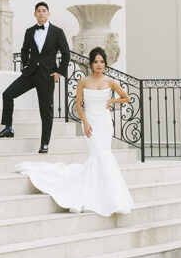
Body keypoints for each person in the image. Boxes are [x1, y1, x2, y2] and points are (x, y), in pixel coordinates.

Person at [14, 47, 135, 216]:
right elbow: (78, 104)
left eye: (101, 61)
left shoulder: (110, 81)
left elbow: (127, 97)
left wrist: (111, 101)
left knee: (104, 154)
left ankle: (109, 195)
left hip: (105, 122)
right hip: (91, 121)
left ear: (105, 64)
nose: (99, 64)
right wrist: (84, 123)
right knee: (98, 154)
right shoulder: (84, 81)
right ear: (91, 64)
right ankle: (97, 194)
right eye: (95, 61)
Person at [0, 1, 70, 154]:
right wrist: (26, 65)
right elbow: (24, 50)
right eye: (38, 11)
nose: (41, 13)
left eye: (44, 10)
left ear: (48, 14)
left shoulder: (57, 32)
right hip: (31, 73)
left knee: (45, 111)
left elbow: (66, 54)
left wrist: (59, 72)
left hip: (47, 76)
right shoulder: (29, 31)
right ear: (35, 14)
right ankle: (8, 128)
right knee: (7, 94)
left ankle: (45, 143)